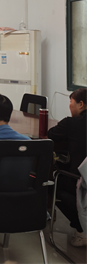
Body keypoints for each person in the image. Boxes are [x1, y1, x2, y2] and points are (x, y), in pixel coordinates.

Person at [47, 88, 87, 247]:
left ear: (81, 104)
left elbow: (51, 134)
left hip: (81, 181)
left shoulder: (71, 123)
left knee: (51, 184)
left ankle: (81, 229)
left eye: (71, 102)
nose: (69, 106)